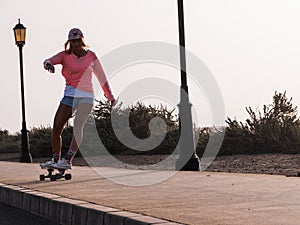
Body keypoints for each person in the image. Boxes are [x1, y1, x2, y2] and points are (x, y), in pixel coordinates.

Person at [40, 28, 115, 170]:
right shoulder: (64, 55)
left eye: (78, 41)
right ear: (69, 42)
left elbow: (102, 77)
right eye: (73, 41)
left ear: (82, 40)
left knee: (78, 125)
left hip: (86, 96)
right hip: (69, 94)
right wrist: (48, 65)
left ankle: (68, 159)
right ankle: (56, 159)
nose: (76, 44)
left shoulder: (91, 56)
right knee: (57, 127)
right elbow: (48, 60)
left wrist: (110, 97)